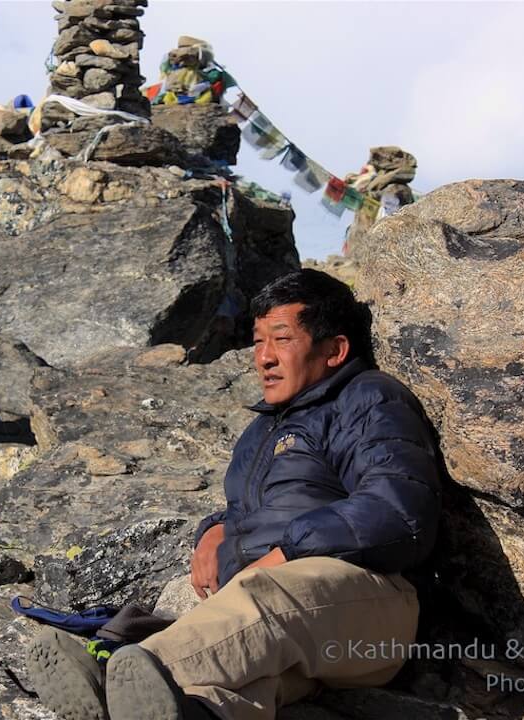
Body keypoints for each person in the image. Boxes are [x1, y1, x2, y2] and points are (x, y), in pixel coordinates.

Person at [26, 269, 442, 720]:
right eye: (258, 341)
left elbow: (399, 510)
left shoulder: (368, 399)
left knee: (264, 596)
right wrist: (215, 529)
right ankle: (190, 710)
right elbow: (249, 511)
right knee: (247, 683)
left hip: (370, 608)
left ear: (335, 350)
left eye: (281, 339)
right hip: (303, 633)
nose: (263, 358)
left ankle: (107, 671)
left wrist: (288, 551)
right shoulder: (261, 430)